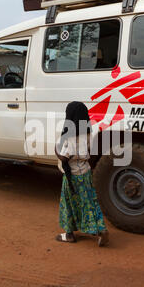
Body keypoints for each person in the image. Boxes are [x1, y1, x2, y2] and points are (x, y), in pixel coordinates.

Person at [55, 101, 109, 247]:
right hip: (85, 173)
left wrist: (56, 149)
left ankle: (69, 234)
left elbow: (65, 157)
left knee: (69, 204)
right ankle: (99, 230)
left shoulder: (69, 136)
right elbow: (89, 152)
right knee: (89, 202)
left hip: (72, 176)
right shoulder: (88, 132)